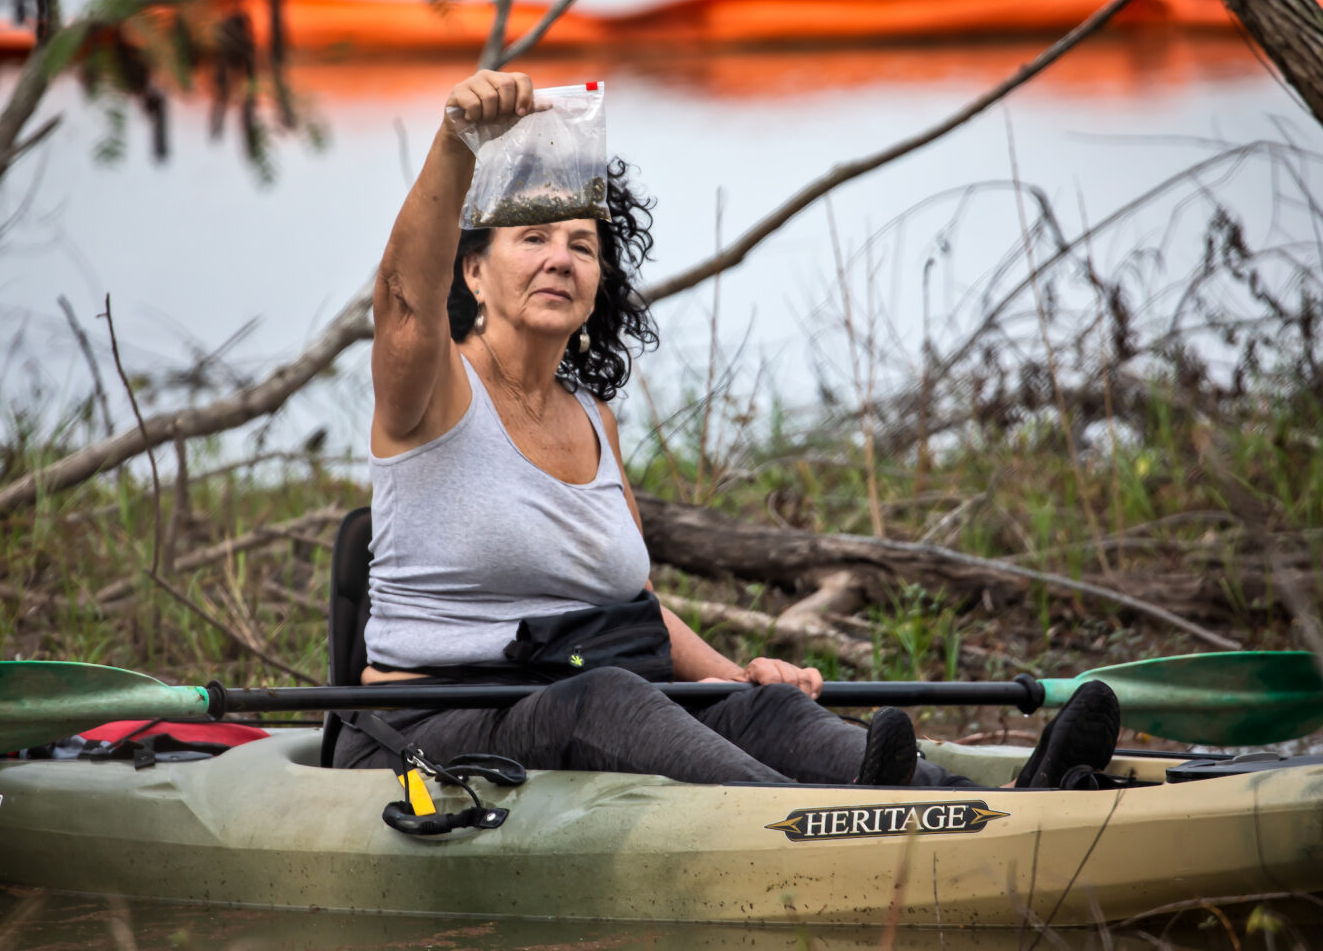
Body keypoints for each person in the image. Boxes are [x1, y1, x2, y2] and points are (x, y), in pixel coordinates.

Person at [332, 70, 1119, 789]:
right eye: (533, 239)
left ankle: (1000, 799)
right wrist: (454, 144)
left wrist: (735, 674)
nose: (560, 259)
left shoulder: (592, 416)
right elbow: (403, 297)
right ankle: (821, 821)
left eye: (582, 244)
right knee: (605, 699)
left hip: (588, 687)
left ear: (600, 279)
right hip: (430, 727)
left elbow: (631, 601)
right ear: (474, 271)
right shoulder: (433, 393)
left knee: (762, 710)